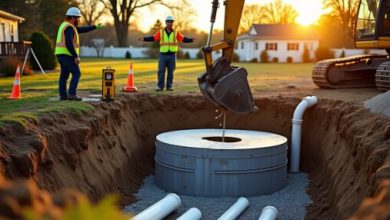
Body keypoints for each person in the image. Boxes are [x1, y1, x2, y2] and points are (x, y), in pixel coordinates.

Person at [54, 7, 103, 101]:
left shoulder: (66, 25)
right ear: (72, 17)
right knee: (77, 73)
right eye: (77, 18)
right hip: (67, 55)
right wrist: (75, 56)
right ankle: (72, 94)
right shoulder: (69, 28)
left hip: (60, 54)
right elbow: (69, 43)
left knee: (64, 76)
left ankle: (63, 96)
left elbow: (80, 30)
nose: (79, 19)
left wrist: (95, 26)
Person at [139, 16, 197, 91]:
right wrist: (144, 38)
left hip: (172, 55)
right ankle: (160, 86)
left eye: (171, 22)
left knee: (171, 71)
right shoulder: (161, 32)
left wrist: (191, 40)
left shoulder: (176, 32)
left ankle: (169, 86)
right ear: (166, 23)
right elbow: (153, 38)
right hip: (163, 55)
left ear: (173, 23)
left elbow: (183, 39)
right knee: (161, 70)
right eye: (169, 22)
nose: (170, 23)